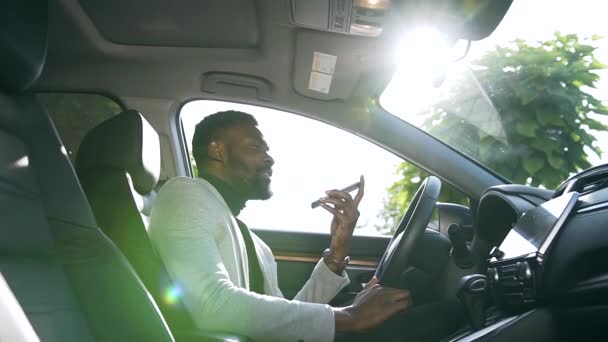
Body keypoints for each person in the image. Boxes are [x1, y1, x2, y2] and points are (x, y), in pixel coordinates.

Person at [149, 110, 412, 342]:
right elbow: (212, 304)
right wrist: (350, 316)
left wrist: (337, 251)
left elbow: (282, 323)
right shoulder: (184, 194)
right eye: (255, 148)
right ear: (217, 150)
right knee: (433, 320)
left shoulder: (255, 244)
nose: (269, 159)